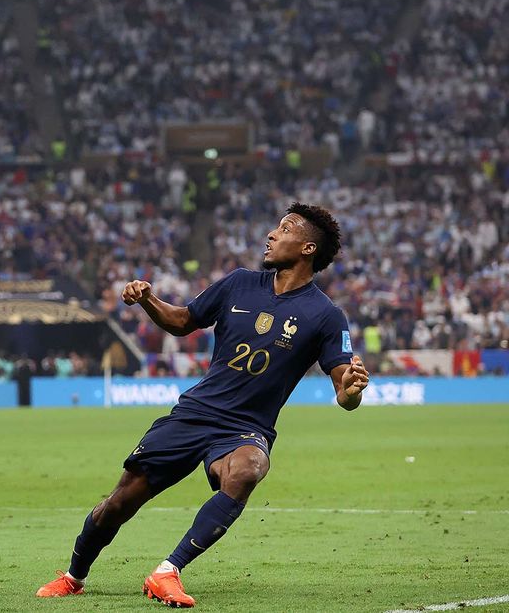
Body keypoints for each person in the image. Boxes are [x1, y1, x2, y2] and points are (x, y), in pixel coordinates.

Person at [36, 203, 371, 607]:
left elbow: (345, 394)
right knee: (120, 502)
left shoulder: (326, 316)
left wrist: (352, 390)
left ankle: (166, 572)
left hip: (246, 426)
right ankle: (73, 576)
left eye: (284, 229)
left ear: (307, 248)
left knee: (248, 470)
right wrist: (147, 298)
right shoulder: (239, 284)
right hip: (196, 413)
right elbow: (183, 321)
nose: (271, 234)